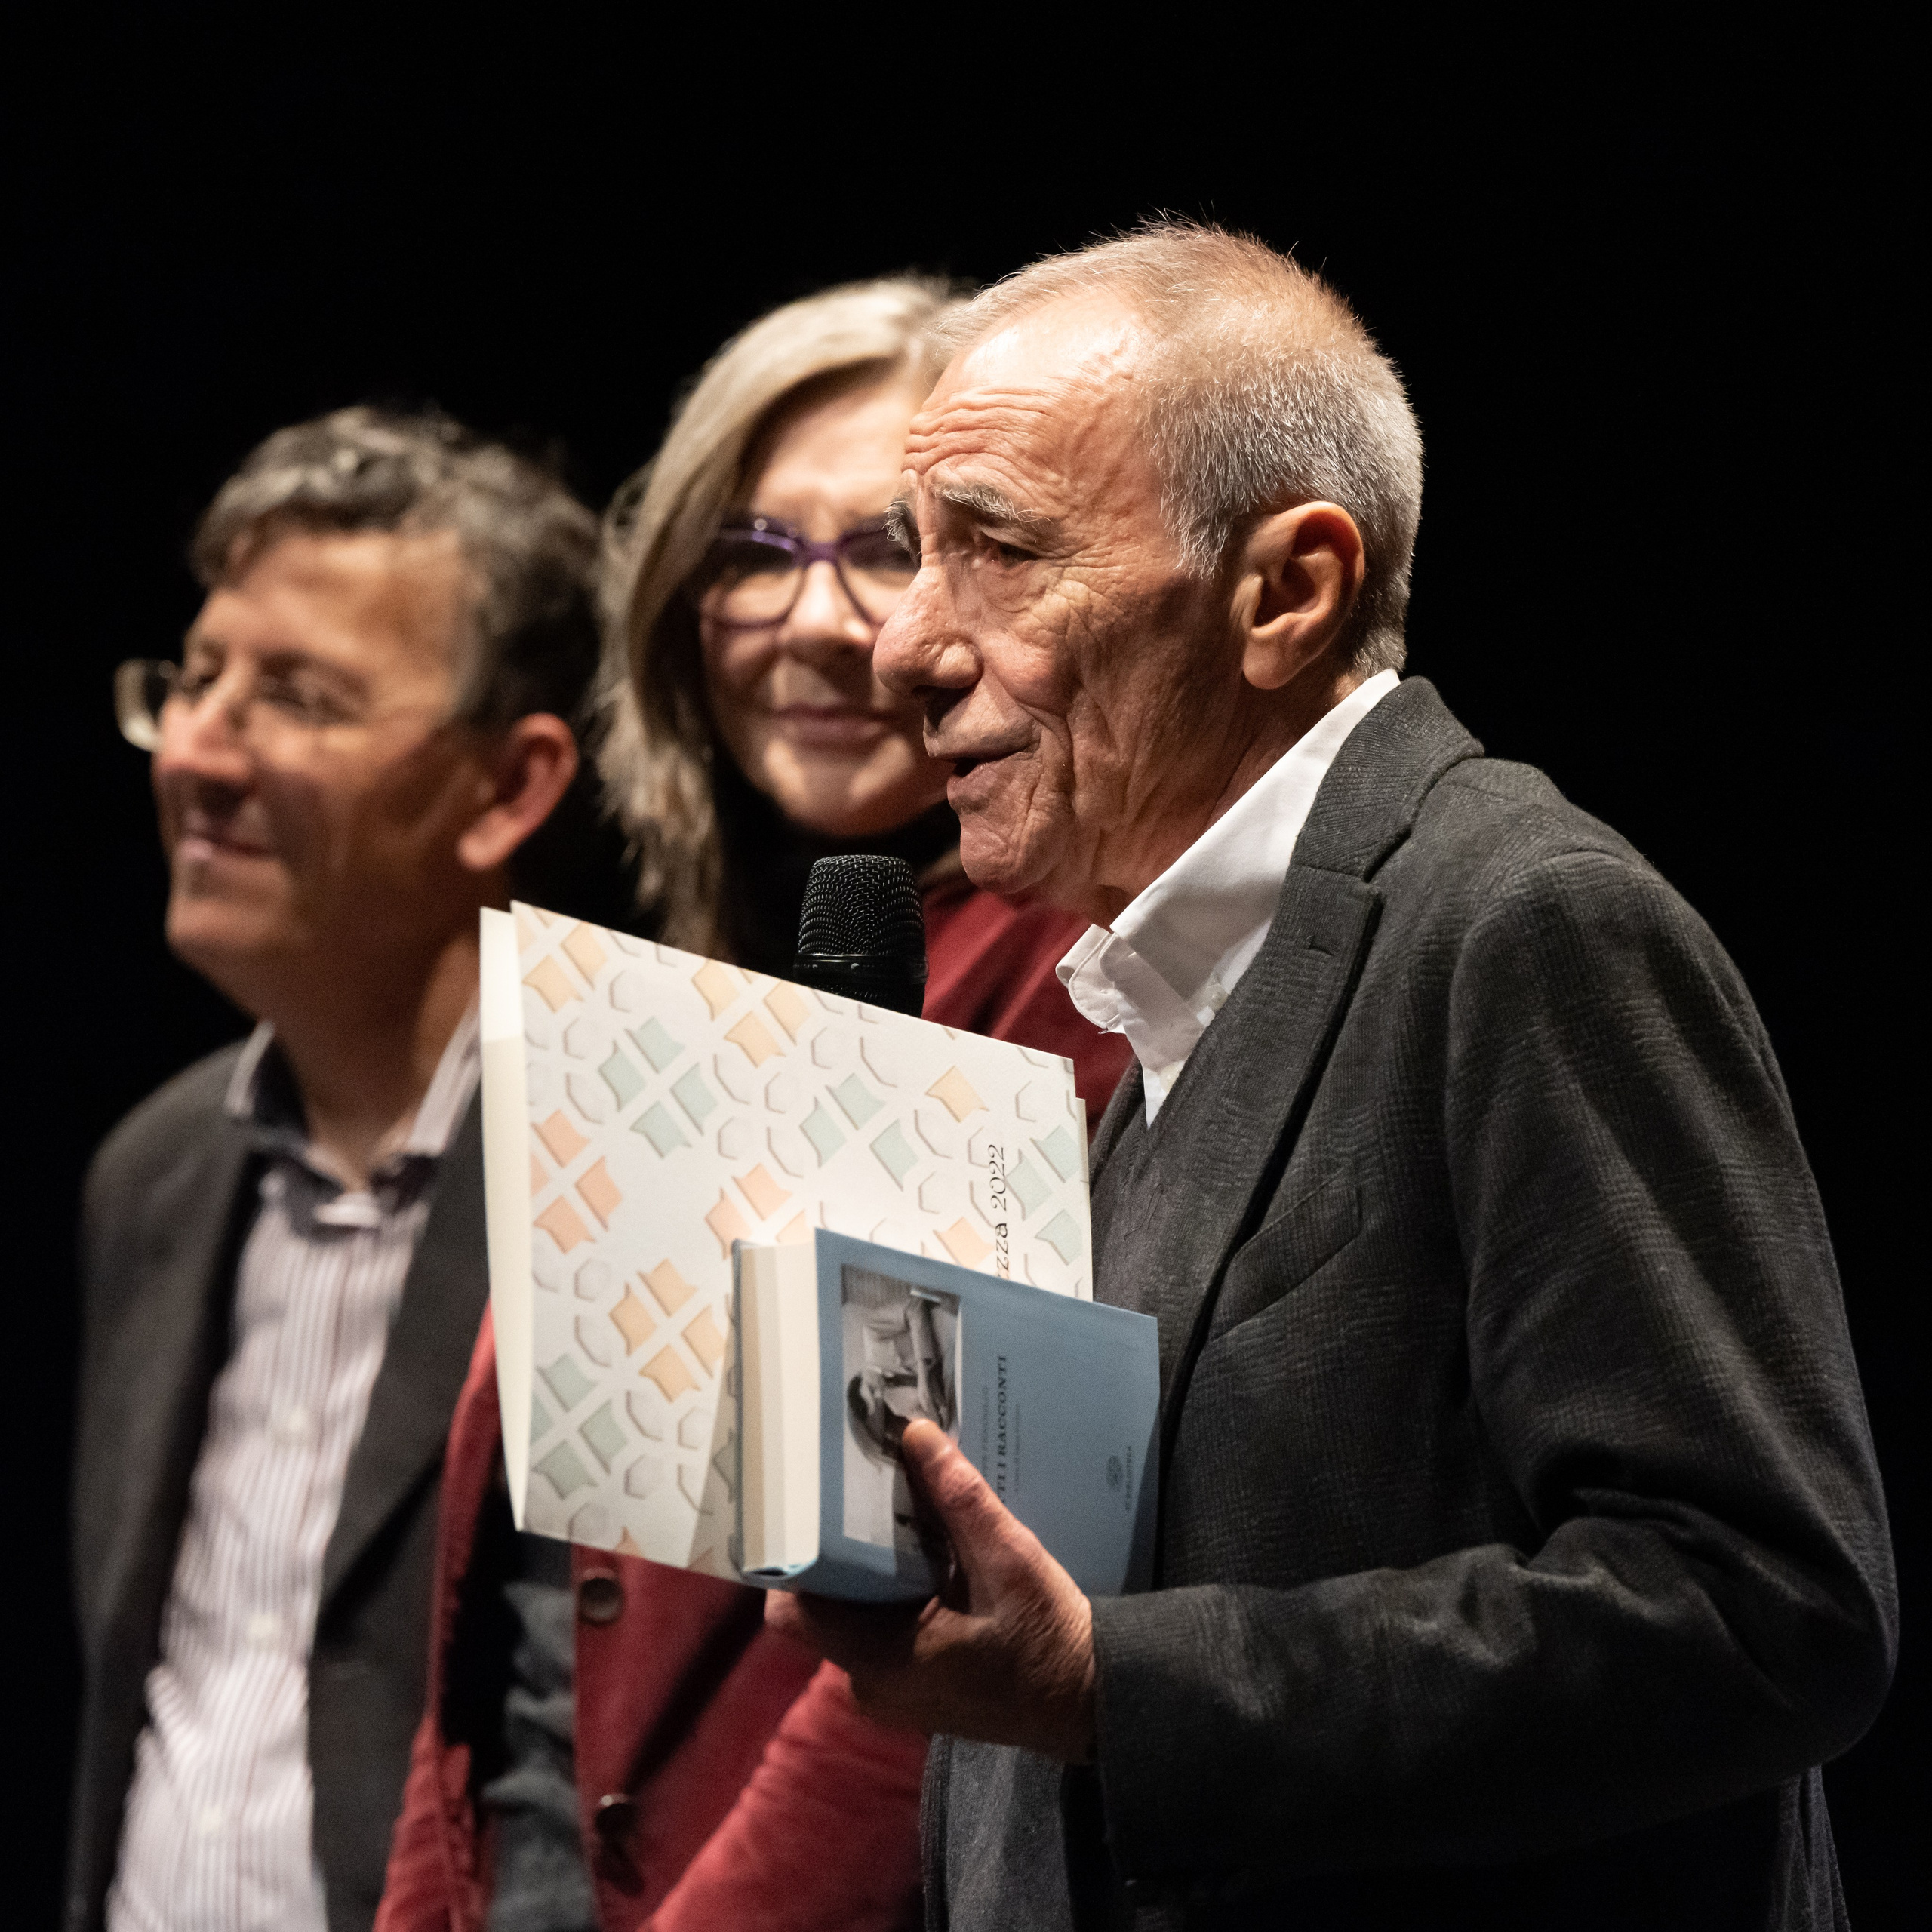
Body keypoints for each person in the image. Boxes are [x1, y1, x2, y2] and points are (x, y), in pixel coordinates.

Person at [768, 223, 1898, 1930]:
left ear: (1283, 591)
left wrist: (1117, 1687)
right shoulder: (1155, 1011)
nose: (903, 646)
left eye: (990, 552)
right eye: (914, 557)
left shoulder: (1525, 924)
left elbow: (1761, 1606)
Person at [377, 283, 1130, 1932]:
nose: (814, 621)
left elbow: (936, 1632)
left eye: (891, 546)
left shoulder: (1077, 990)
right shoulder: (679, 983)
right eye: (751, 551)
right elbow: (503, 1617)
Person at [68, 409, 608, 1932]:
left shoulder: (628, 1161)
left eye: (295, 696)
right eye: (192, 681)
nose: (196, 753)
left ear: (508, 786)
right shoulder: (154, 1171)